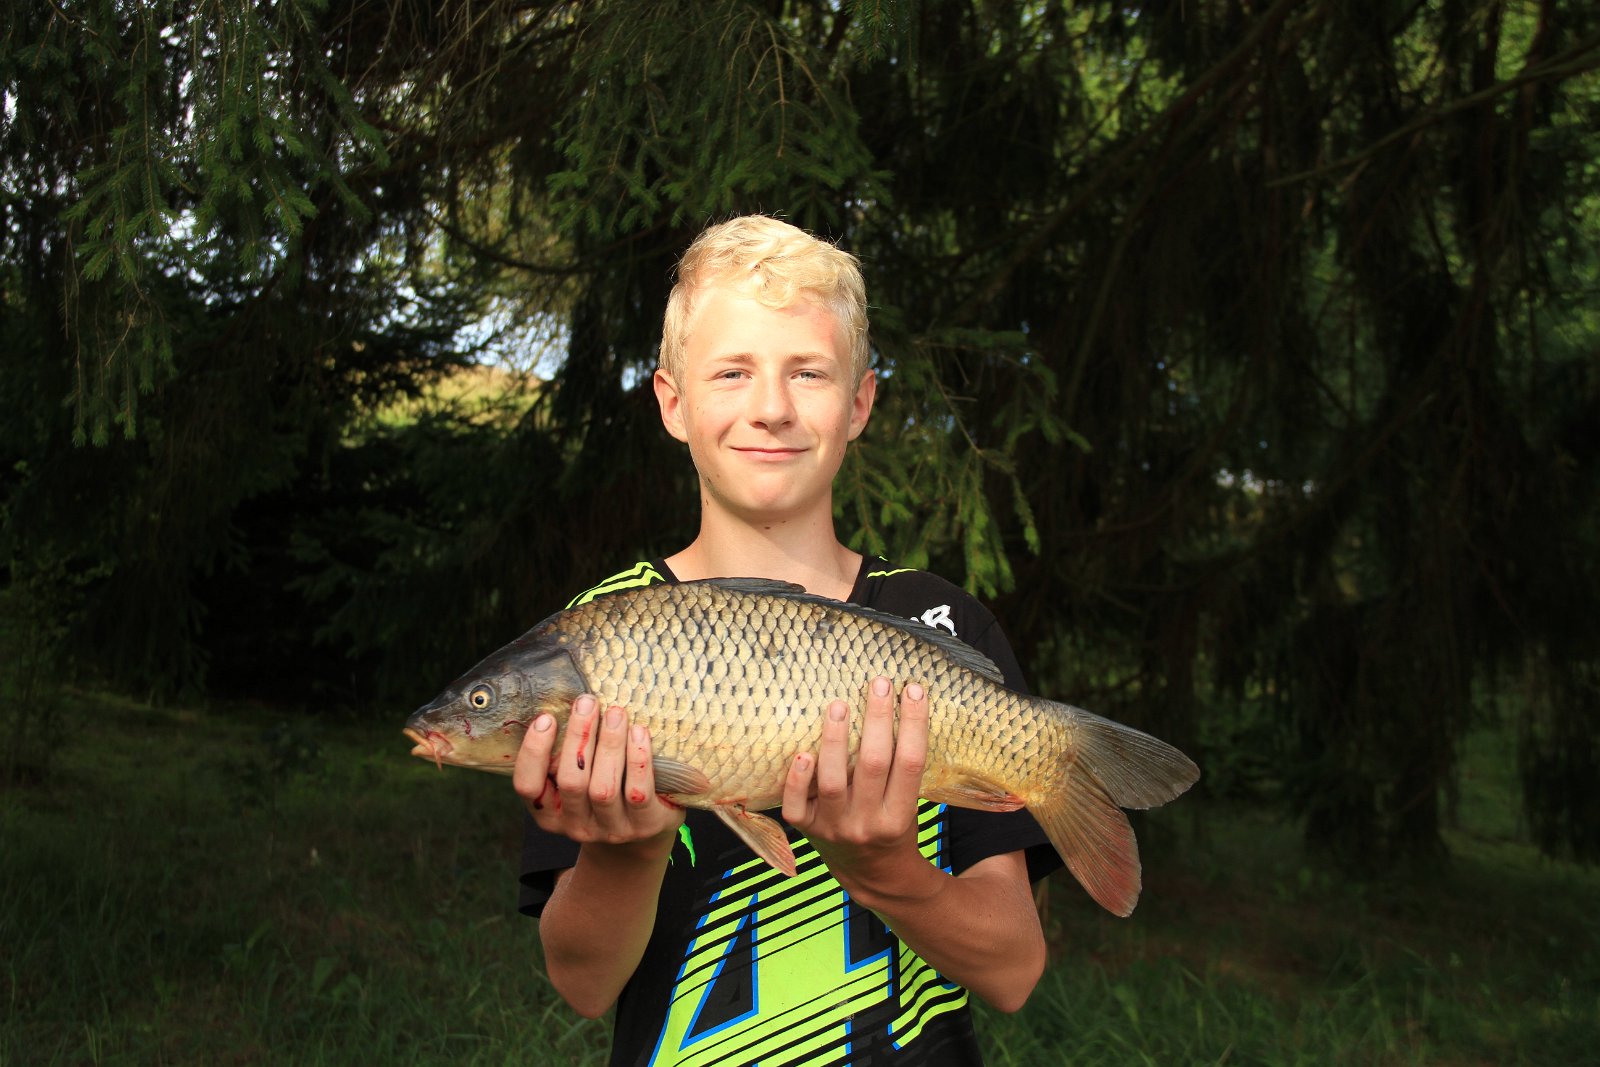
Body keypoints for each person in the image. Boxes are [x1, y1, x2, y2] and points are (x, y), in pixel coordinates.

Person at [513, 215, 1057, 1066]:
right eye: (732, 372)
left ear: (859, 403)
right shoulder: (601, 635)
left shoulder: (940, 627)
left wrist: (886, 868)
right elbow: (583, 984)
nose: (771, 408)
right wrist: (630, 849)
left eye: (807, 372)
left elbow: (1015, 970)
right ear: (673, 403)